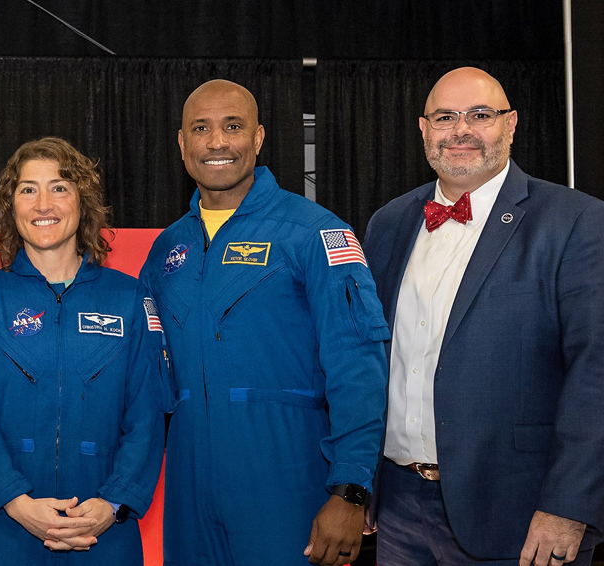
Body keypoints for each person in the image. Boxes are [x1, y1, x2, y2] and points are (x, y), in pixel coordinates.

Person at [139, 79, 389, 566]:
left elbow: (359, 366)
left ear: (257, 138)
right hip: (189, 482)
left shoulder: (316, 231)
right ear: (182, 143)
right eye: (201, 128)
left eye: (233, 127)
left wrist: (352, 489)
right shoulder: (168, 249)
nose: (216, 142)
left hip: (287, 475)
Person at [363, 66, 604, 566]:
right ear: (424, 130)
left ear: (511, 124)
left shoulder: (576, 221)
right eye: (445, 117)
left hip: (519, 515)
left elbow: (595, 374)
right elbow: (371, 358)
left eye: (480, 115)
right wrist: (363, 480)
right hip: (399, 507)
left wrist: (567, 506)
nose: (461, 131)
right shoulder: (387, 224)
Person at [0, 137, 166, 565]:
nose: (43, 203)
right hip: (8, 531)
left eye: (60, 187)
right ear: (10, 207)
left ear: (83, 203)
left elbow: (147, 413)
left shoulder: (129, 298)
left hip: (106, 533)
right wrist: (14, 500)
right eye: (28, 189)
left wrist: (113, 504)